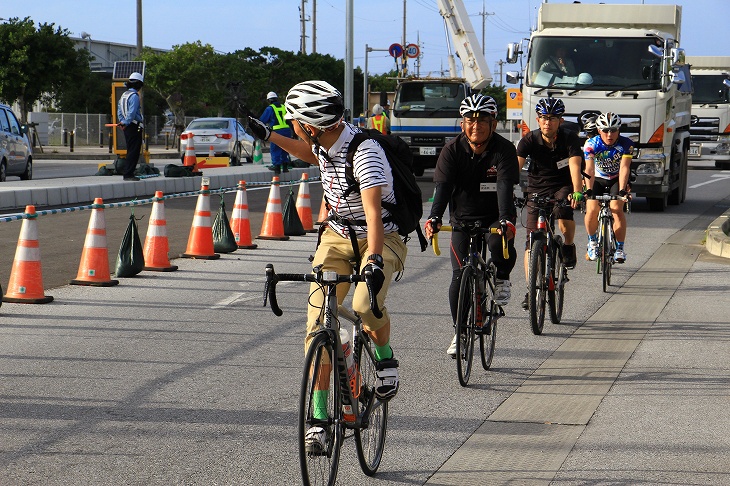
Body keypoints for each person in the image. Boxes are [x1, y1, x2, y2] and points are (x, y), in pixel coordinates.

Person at [247, 80, 406, 453]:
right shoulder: (323, 141)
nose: (295, 128)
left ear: (311, 125)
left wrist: (376, 263)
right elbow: (308, 154)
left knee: (366, 305)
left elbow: (373, 217)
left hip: (379, 235)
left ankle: (384, 358)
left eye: (294, 122)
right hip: (336, 235)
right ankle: (318, 421)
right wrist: (271, 135)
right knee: (318, 326)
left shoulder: (364, 152)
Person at [423, 94, 519, 357]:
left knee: (496, 243)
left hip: (494, 216)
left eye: (482, 121)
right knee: (458, 275)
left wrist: (505, 220)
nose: (475, 127)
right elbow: (442, 189)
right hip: (462, 218)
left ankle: (501, 277)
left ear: (493, 123)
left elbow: (504, 186)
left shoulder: (504, 149)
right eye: (469, 121)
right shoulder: (451, 150)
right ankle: (459, 332)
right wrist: (434, 218)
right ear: (463, 124)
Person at [516, 97, 584, 310]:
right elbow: (513, 169)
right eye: (544, 118)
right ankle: (531, 289)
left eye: (553, 118)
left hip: (562, 185)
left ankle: (568, 245)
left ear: (560, 121)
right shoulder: (528, 140)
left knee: (563, 217)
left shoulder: (569, 139)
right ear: (538, 120)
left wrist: (577, 192)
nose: (548, 122)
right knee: (530, 242)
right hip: (536, 188)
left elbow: (575, 166)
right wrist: (507, 191)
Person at [583, 112, 633, 263]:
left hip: (616, 178)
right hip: (597, 178)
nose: (609, 134)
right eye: (605, 130)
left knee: (617, 209)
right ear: (599, 130)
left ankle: (620, 248)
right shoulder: (591, 144)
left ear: (619, 130)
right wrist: (588, 190)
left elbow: (624, 168)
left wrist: (623, 190)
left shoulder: (626, 144)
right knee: (592, 209)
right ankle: (592, 242)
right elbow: (589, 169)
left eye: (613, 130)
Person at [116, 72, 144, 181]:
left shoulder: (124, 95)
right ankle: (129, 174)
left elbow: (119, 111)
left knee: (130, 149)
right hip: (134, 126)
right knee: (134, 150)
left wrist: (122, 122)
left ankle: (128, 172)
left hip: (127, 126)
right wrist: (126, 122)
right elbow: (132, 113)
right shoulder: (134, 96)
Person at [258, 91, 293, 174]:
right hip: (287, 130)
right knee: (285, 147)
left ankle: (276, 167)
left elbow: (262, 120)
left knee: (275, 148)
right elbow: (289, 120)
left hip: (277, 131)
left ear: (269, 100)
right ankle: (285, 167)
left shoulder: (270, 108)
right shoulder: (283, 107)